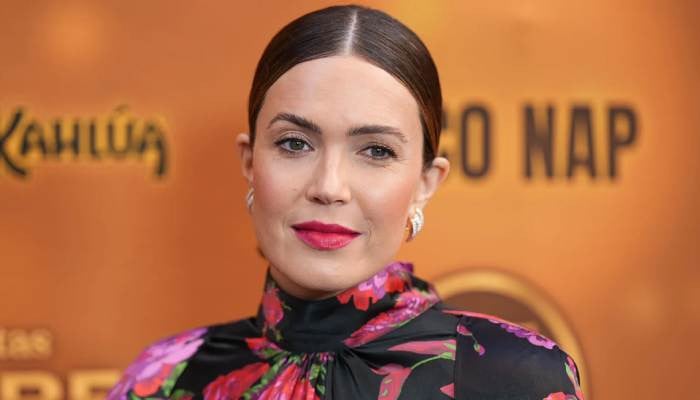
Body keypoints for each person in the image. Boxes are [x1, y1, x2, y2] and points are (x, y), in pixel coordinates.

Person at [107, 4, 585, 400]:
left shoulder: (513, 376)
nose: (329, 186)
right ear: (250, 163)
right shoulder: (164, 379)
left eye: (376, 151)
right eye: (295, 143)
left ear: (425, 183)